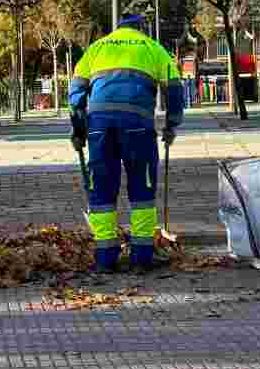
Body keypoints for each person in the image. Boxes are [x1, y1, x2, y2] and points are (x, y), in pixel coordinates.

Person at [69, 14, 184, 272]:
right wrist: (171, 125)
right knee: (142, 189)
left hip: (100, 127)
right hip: (138, 127)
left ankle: (105, 258)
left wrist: (78, 129)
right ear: (141, 29)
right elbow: (174, 88)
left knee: (102, 188)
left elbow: (76, 90)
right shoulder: (153, 48)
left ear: (118, 29)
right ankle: (141, 258)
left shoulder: (97, 48)